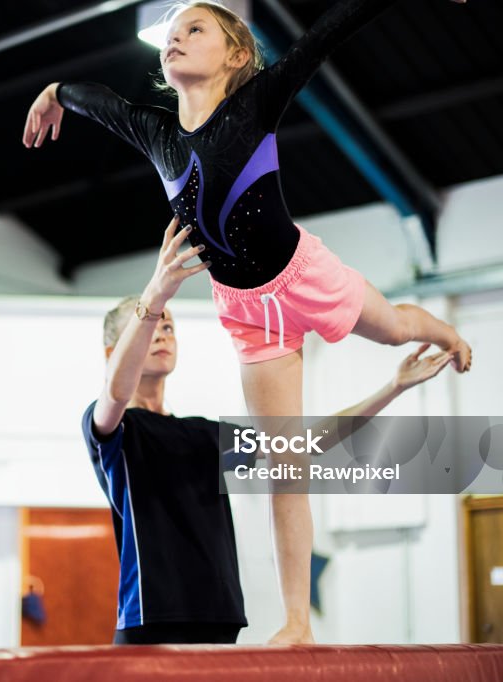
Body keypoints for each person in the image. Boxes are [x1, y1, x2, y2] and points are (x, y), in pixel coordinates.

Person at [28, 0, 471, 644]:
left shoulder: (255, 103)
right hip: (245, 312)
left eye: (195, 29)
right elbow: (101, 102)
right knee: (286, 465)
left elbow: (328, 30)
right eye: (170, 33)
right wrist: (53, 93)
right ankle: (297, 620)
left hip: (303, 276)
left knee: (398, 328)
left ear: (236, 54)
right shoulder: (157, 134)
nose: (175, 40)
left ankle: (446, 331)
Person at [83, 217, 453, 644]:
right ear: (114, 349)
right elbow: (115, 390)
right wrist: (156, 292)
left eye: (168, 326)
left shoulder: (204, 437)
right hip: (152, 619)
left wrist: (392, 389)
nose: (162, 332)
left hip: (218, 619)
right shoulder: (114, 430)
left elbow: (302, 443)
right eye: (149, 326)